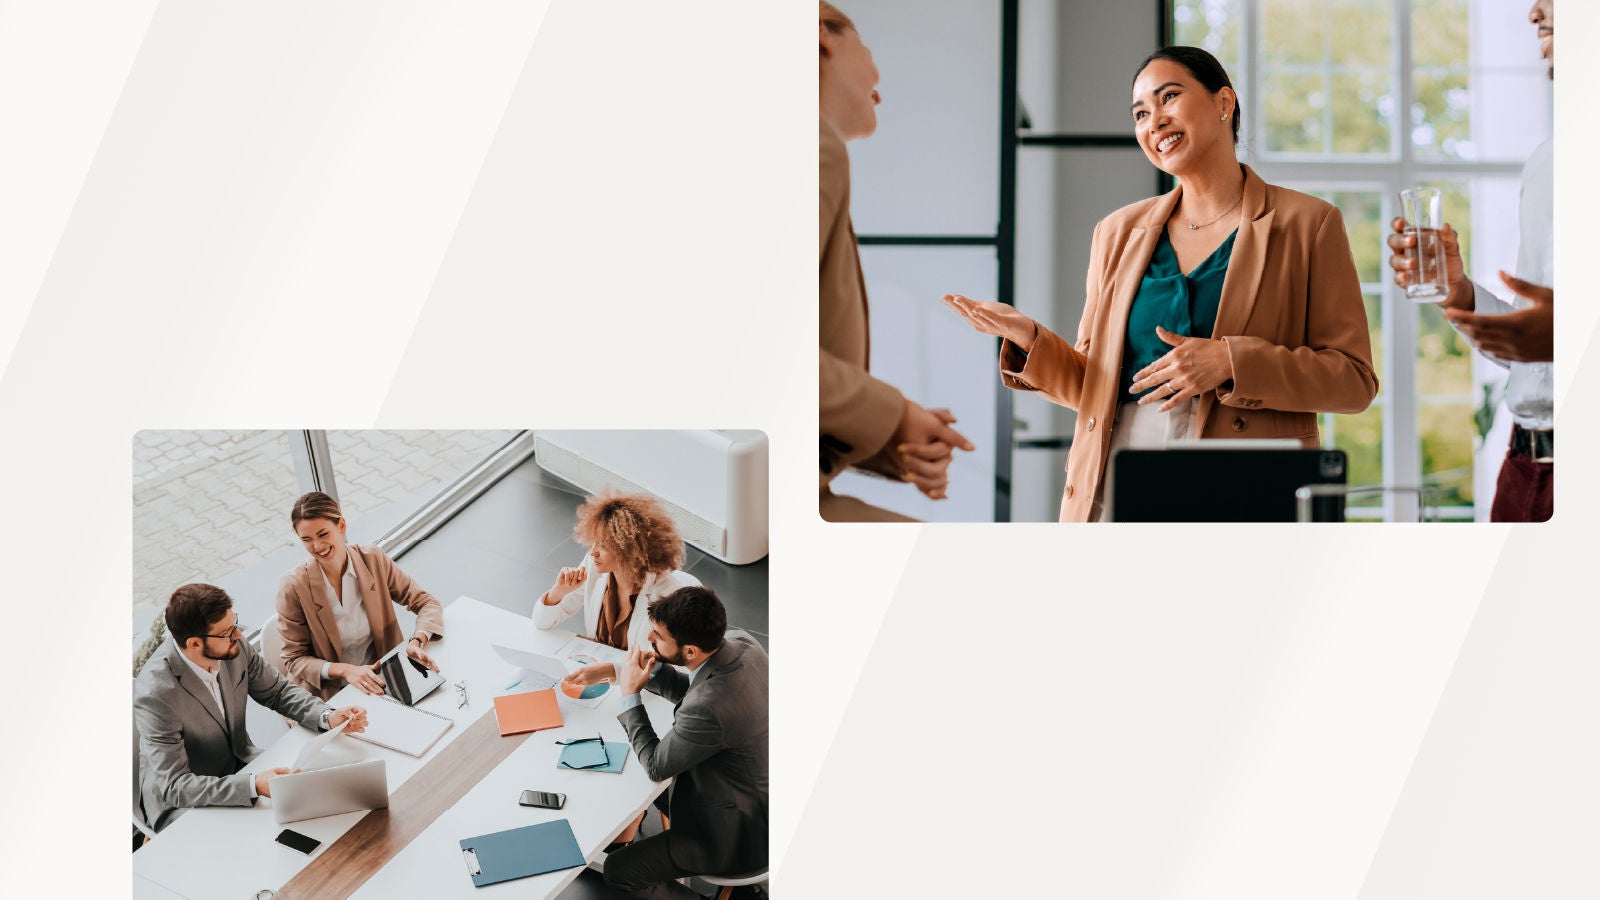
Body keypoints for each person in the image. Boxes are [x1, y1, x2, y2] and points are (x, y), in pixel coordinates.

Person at [945, 46, 1377, 521]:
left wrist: (1230, 361)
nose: (1155, 121)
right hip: (1121, 471)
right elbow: (1093, 386)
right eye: (1140, 113)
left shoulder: (1308, 223)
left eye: (1169, 97)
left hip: (1247, 479)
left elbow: (1354, 381)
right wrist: (1030, 339)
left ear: (1223, 103)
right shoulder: (1116, 232)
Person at [1386, 0, 1553, 521]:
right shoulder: (1548, 161)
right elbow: (1536, 349)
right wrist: (1457, 292)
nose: (1534, 12)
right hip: (1524, 471)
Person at [819, 1, 973, 522]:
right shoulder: (816, 148)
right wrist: (894, 417)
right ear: (822, 39)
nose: (878, 80)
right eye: (868, 50)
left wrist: (896, 442)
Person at [566, 586, 767, 899]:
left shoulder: (709, 708)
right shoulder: (743, 644)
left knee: (617, 870)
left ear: (689, 652)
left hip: (735, 836)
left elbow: (656, 764)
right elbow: (698, 691)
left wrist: (630, 696)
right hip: (755, 798)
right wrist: (621, 671)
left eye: (658, 636)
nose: (649, 639)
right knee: (632, 795)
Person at [134, 583, 368, 833]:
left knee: (323, 804)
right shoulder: (155, 694)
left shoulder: (234, 646)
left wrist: (327, 716)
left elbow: (277, 691)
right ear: (194, 644)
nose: (239, 635)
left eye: (234, 623)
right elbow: (175, 787)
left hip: (241, 765)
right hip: (184, 803)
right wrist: (252, 786)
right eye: (226, 632)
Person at [275, 491, 443, 700]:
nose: (317, 546)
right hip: (329, 693)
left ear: (341, 525)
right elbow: (294, 660)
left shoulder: (372, 559)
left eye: (323, 534)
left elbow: (426, 602)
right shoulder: (293, 586)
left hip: (383, 679)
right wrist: (345, 670)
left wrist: (417, 641)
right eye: (307, 540)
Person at [535, 491, 700, 676]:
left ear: (629, 550)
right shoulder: (594, 568)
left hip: (637, 685)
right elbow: (542, 622)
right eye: (593, 543)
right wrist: (557, 593)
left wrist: (609, 672)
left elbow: (666, 669)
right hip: (599, 675)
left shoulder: (667, 595)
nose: (592, 553)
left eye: (603, 546)